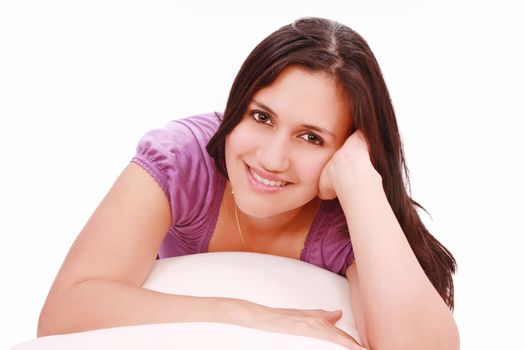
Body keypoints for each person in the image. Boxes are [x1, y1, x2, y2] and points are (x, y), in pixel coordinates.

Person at [38, 17, 459, 349]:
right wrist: (252, 315)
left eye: (312, 137)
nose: (271, 159)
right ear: (237, 106)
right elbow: (64, 310)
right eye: (262, 117)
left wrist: (360, 181)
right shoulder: (183, 161)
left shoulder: (347, 216)